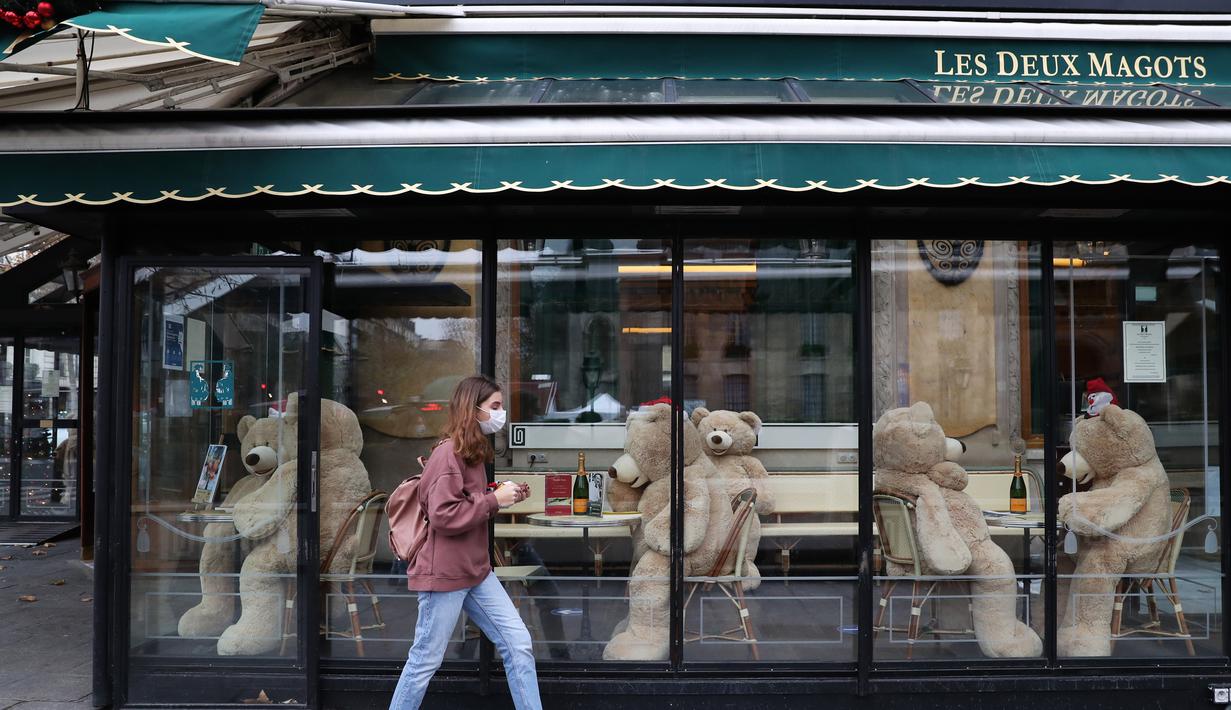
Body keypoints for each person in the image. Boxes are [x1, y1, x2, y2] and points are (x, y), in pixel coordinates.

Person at [389, 375, 541, 710]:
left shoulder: (471, 453)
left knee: (518, 644)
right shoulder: (448, 454)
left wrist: (501, 495)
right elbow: (443, 516)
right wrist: (493, 500)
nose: (500, 414)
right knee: (424, 661)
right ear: (473, 409)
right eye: (495, 407)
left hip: (475, 571)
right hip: (445, 574)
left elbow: (467, 501)